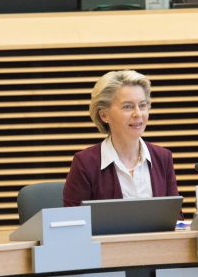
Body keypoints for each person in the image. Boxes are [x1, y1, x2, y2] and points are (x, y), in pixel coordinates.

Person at [63, 70, 179, 207]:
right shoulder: (85, 164)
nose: (138, 114)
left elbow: (175, 220)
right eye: (128, 107)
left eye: (142, 105)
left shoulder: (162, 158)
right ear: (104, 115)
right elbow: (74, 223)